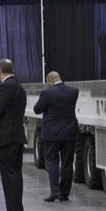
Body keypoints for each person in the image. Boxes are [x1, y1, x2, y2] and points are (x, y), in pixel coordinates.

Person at [0, 58, 26, 211]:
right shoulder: (19, 87)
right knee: (15, 174)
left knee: (9, 176)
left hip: (6, 138)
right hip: (16, 136)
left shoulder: (5, 87)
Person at [33, 71, 79, 202]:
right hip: (69, 133)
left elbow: (37, 109)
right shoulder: (73, 92)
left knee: (52, 162)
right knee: (67, 163)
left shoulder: (47, 93)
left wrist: (47, 92)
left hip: (52, 135)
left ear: (49, 81)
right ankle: (64, 194)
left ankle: (55, 191)